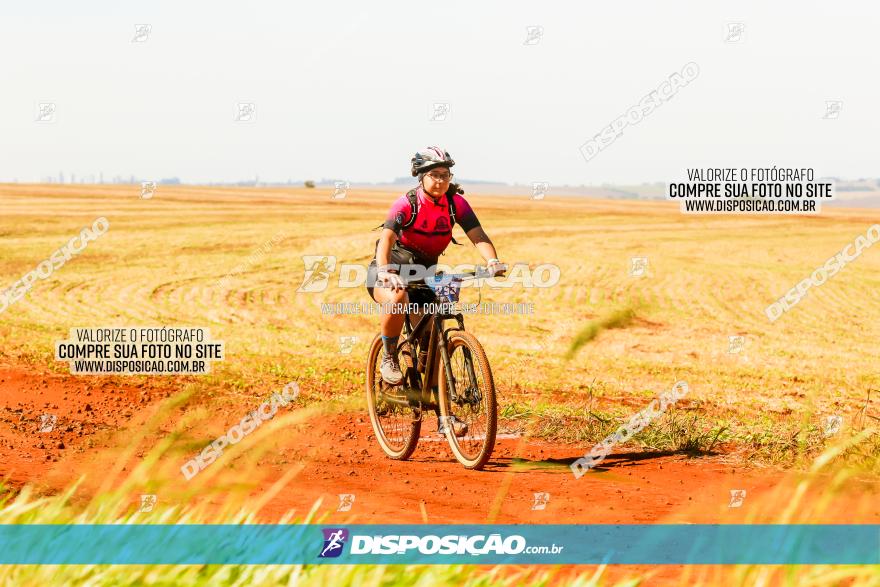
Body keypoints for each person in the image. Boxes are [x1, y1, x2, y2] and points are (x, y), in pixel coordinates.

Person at [366, 146, 505, 435]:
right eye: (434, 175)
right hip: (389, 271)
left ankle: (444, 416)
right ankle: (390, 357)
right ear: (421, 176)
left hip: (425, 276)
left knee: (433, 344)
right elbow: (386, 239)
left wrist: (492, 260)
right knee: (397, 297)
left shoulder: (455, 203)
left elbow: (477, 235)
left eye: (445, 175)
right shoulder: (407, 203)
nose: (440, 181)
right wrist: (384, 271)